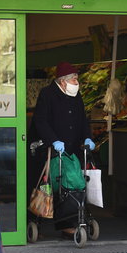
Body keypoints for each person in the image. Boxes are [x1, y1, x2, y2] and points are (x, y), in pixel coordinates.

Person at [31, 61, 95, 236]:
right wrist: (53, 140)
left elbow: (82, 119)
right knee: (47, 185)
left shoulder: (77, 96)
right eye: (74, 80)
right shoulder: (48, 94)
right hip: (51, 148)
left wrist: (87, 137)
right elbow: (41, 121)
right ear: (63, 81)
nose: (77, 83)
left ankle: (68, 223)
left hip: (72, 149)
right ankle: (34, 219)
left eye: (76, 79)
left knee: (69, 185)